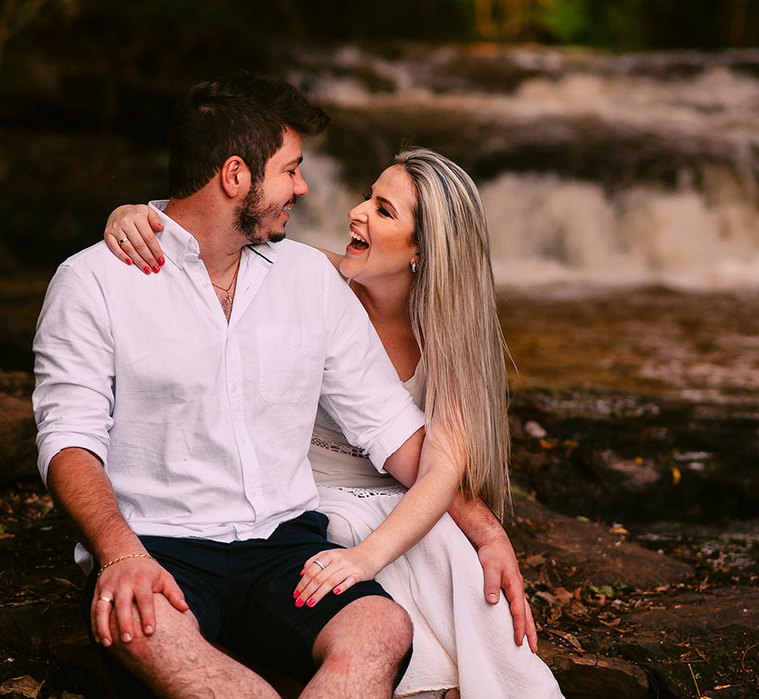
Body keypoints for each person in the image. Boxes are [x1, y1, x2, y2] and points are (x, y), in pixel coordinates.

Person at [33, 73, 468, 699]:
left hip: (286, 548)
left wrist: (483, 531)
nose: (304, 187)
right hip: (160, 545)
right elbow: (68, 441)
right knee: (159, 640)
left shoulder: (310, 280)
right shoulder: (94, 281)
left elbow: (398, 435)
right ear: (235, 176)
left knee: (380, 626)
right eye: (291, 170)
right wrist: (118, 552)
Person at [104, 148, 566, 699]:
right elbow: (212, 232)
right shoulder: (310, 277)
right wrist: (135, 215)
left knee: (441, 543)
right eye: (368, 195)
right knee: (345, 535)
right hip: (305, 498)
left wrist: (487, 534)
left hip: (404, 494)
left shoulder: (452, 335)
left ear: (424, 249)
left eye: (384, 210)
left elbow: (439, 468)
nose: (356, 211)